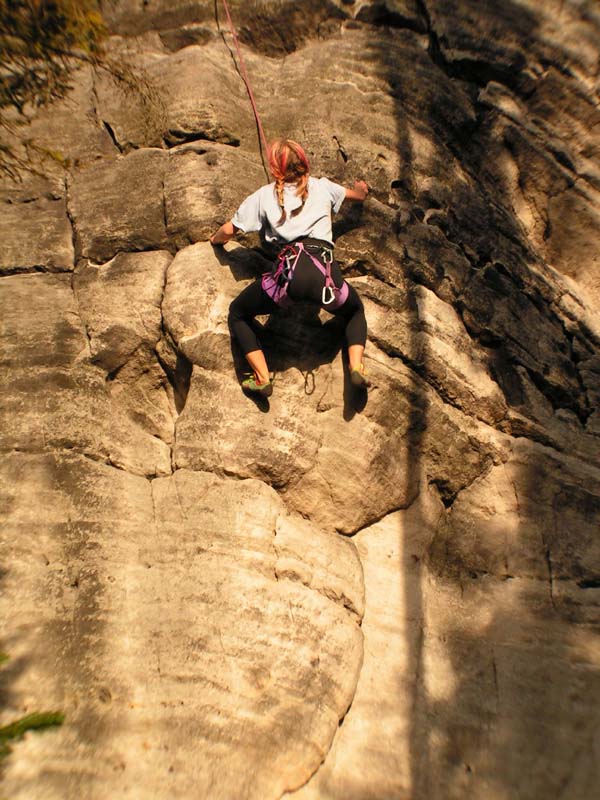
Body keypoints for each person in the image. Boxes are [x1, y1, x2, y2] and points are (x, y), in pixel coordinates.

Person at [210, 138, 369, 397]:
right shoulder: (323, 187)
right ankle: (357, 367)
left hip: (288, 278)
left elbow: (229, 230)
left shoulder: (263, 196)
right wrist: (360, 188)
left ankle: (262, 378)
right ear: (304, 162)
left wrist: (214, 240)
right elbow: (358, 197)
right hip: (325, 277)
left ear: (276, 169)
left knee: (238, 312)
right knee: (354, 311)